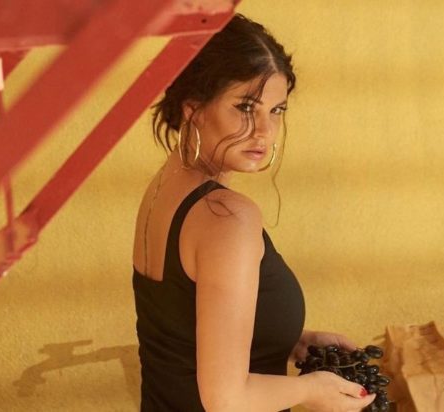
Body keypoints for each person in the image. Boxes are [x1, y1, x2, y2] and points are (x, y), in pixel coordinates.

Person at [132, 13, 376, 412]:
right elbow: (226, 400)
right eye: (246, 107)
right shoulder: (226, 216)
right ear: (194, 108)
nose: (264, 130)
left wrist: (286, 340)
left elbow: (183, 333)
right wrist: (311, 390)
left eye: (276, 110)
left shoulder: (165, 188)